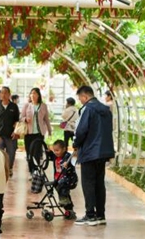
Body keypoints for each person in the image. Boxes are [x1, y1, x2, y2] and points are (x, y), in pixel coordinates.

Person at [73, 86, 114, 226]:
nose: (80, 101)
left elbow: (81, 131)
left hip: (89, 152)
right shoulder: (106, 110)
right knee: (99, 183)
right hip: (103, 152)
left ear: (85, 96)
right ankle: (100, 215)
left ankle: (90, 215)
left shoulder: (88, 109)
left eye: (80, 98)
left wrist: (76, 144)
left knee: (88, 183)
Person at [18, 87, 51, 174]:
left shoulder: (43, 106)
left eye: (35, 93)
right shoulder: (27, 105)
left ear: (38, 95)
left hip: (39, 133)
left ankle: (36, 170)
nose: (32, 95)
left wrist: (49, 131)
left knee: (36, 153)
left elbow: (46, 119)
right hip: (28, 133)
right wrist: (25, 119)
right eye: (31, 93)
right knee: (29, 153)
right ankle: (31, 171)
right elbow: (20, 117)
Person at [0, 86, 19, 171]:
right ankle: (0, 170)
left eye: (5, 93)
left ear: (9, 95)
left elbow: (17, 121)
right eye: (2, 93)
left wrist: (16, 132)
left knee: (11, 154)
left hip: (11, 135)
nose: (3, 94)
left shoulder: (14, 106)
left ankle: (9, 169)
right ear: (0, 94)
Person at [48, 139, 77, 214]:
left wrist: (67, 164)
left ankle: (68, 207)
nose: (56, 152)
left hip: (68, 179)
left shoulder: (67, 156)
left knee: (63, 192)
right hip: (58, 178)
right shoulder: (55, 156)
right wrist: (49, 152)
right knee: (61, 192)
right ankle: (68, 209)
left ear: (64, 149)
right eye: (54, 150)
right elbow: (51, 156)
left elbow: (72, 162)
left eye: (57, 150)